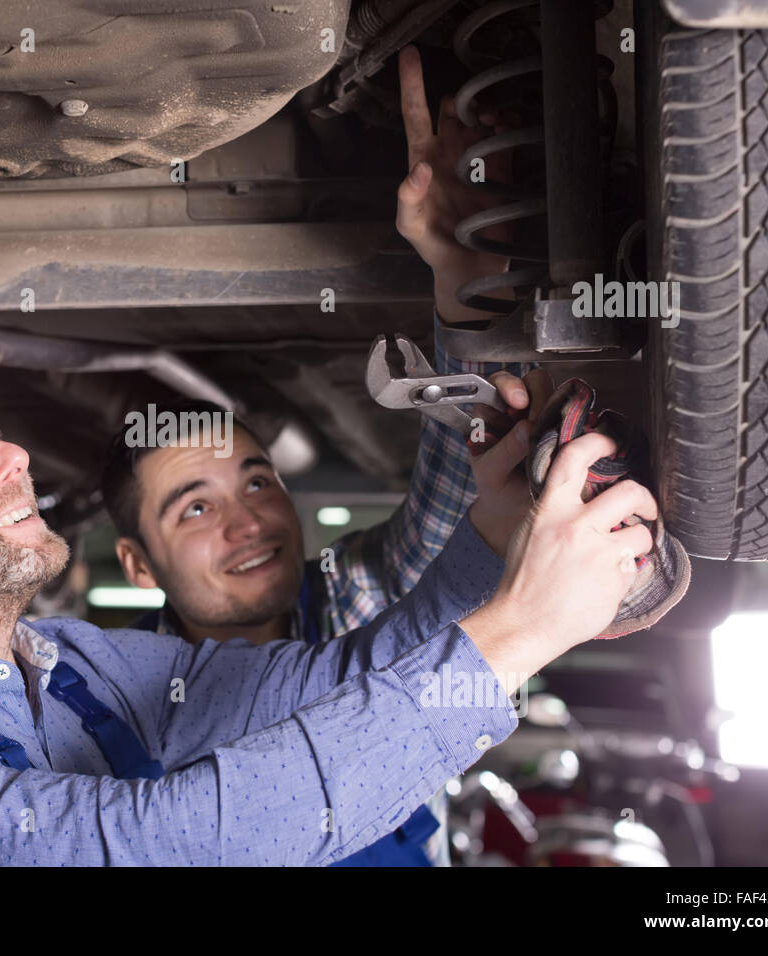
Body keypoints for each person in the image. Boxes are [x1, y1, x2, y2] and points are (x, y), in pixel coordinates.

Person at [0, 360, 657, 866]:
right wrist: (525, 629)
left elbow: (331, 681)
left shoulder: (67, 662)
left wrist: (492, 538)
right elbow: (180, 842)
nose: (15, 456)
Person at [99, 46, 544, 865]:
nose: (248, 522)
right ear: (135, 563)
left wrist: (463, 279)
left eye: (255, 481)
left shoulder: (356, 599)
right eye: (194, 506)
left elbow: (458, 507)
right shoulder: (102, 705)